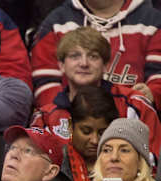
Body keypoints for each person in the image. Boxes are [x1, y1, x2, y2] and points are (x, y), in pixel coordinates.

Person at [30, 27, 161, 160]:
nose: (84, 63)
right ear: (62, 65)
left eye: (93, 56)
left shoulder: (135, 104)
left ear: (105, 65)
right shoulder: (45, 117)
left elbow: (154, 159)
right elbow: (36, 167)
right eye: (75, 56)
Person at [31, 0, 161, 110]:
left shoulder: (153, 22)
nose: (84, 63)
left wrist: (152, 93)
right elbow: (45, 83)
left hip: (132, 120)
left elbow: (158, 78)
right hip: (69, 120)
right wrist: (63, 117)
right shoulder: (56, 23)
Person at [46, 85, 119, 181]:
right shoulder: (53, 163)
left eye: (102, 132)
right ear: (70, 126)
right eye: (86, 131)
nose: (95, 140)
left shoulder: (120, 164)